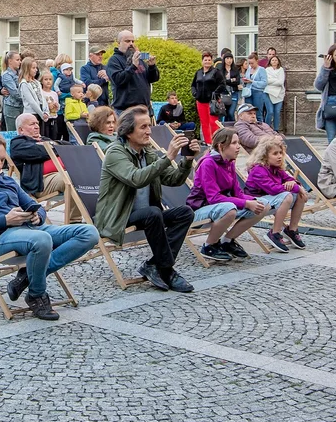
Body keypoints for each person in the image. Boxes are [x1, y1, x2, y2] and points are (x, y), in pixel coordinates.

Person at [0, 132, 99, 320]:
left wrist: (38, 215)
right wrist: (5, 220)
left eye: (2, 160)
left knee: (89, 233)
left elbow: (32, 204)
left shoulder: (7, 180)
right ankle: (36, 294)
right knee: (42, 240)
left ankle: (28, 276)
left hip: (32, 230)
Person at [95, 108, 198, 293]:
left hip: (149, 216)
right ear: (128, 131)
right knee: (153, 212)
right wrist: (168, 157)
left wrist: (187, 160)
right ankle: (166, 270)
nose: (149, 131)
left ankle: (154, 265)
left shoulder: (147, 152)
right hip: (119, 216)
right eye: (143, 127)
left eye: (149, 126)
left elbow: (173, 179)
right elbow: (136, 178)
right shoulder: (115, 153)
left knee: (185, 213)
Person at [186, 127, 274, 262]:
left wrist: (254, 201)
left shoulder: (229, 162)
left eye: (238, 143)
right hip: (199, 209)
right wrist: (246, 203)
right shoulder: (208, 163)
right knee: (229, 209)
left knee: (264, 205)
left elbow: (237, 193)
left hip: (220, 207)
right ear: (221, 146)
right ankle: (209, 246)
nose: (238, 147)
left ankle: (227, 241)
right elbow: (213, 197)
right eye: (234, 143)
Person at [8, 113, 80, 223]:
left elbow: (69, 146)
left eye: (37, 123)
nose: (37, 126)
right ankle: (74, 221)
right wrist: (51, 147)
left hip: (61, 173)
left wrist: (49, 144)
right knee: (74, 178)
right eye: (32, 124)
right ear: (21, 129)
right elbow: (41, 152)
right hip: (41, 181)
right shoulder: (18, 143)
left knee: (84, 177)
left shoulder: (44, 139)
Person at [244, 135, 309, 252]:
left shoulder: (276, 168)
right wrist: (295, 187)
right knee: (288, 196)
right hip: (256, 201)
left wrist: (295, 185)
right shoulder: (258, 170)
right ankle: (275, 233)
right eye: (275, 154)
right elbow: (273, 189)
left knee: (300, 195)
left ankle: (292, 230)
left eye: (280, 153)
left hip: (271, 198)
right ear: (264, 156)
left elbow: (289, 179)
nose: (279, 156)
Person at [106, 30, 158, 112]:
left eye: (133, 41)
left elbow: (152, 79)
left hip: (144, 108)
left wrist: (152, 67)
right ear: (118, 43)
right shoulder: (114, 60)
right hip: (125, 110)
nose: (131, 44)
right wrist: (133, 66)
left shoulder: (138, 58)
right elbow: (118, 80)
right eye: (127, 41)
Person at [191, 52, 224, 143]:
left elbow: (222, 84)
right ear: (202, 61)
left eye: (209, 60)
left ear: (212, 61)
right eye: (205, 60)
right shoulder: (198, 72)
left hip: (212, 102)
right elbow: (193, 85)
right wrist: (195, 93)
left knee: (213, 123)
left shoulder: (216, 72)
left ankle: (215, 142)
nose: (207, 62)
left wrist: (215, 93)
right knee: (204, 123)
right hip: (201, 101)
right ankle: (208, 142)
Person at [0, 51, 23, 130]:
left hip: (21, 106)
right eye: (17, 60)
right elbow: (14, 93)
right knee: (13, 132)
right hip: (12, 107)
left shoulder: (19, 73)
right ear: (10, 61)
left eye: (20, 60)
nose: (20, 62)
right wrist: (28, 99)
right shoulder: (6, 75)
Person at [263, 54, 285, 131]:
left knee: (277, 112)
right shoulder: (267, 70)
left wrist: (272, 81)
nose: (274, 61)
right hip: (268, 92)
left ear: (278, 62)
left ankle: (276, 129)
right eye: (273, 60)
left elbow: (281, 82)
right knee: (270, 111)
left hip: (279, 93)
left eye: (276, 60)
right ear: (270, 61)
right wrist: (276, 80)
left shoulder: (281, 70)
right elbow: (266, 81)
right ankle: (266, 129)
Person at [245, 51, 268, 124]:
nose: (251, 65)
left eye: (252, 63)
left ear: (257, 61)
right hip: (248, 93)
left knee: (258, 112)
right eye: (249, 63)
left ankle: (260, 128)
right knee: (248, 112)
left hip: (258, 92)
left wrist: (252, 82)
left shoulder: (261, 70)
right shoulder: (248, 70)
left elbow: (264, 83)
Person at [217, 52, 241, 121]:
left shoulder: (235, 70)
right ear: (224, 59)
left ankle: (234, 127)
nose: (229, 60)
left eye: (231, 58)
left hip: (234, 93)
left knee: (231, 112)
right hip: (224, 94)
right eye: (227, 58)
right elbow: (221, 81)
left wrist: (227, 81)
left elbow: (237, 82)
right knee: (224, 113)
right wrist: (231, 80)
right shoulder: (221, 70)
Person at [38, 71, 61, 140]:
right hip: (45, 119)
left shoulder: (54, 94)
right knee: (45, 136)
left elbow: (58, 107)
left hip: (54, 117)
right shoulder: (41, 93)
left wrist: (57, 106)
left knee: (54, 136)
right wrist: (48, 106)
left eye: (50, 79)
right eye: (46, 79)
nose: (48, 81)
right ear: (41, 81)